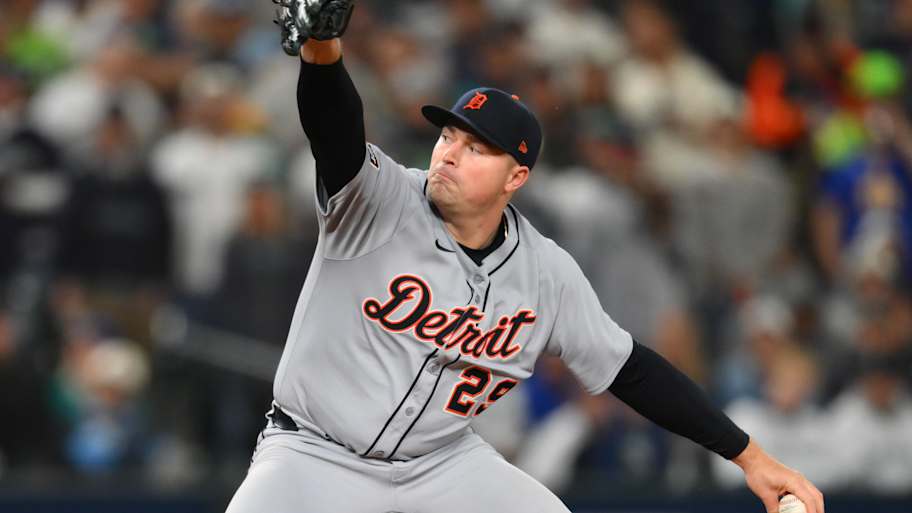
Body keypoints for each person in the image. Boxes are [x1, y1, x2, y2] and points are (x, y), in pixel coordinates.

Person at [226, 3, 825, 512]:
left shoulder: (544, 272)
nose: (450, 154)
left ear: (517, 176)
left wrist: (749, 456)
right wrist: (323, 50)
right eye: (448, 136)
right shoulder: (380, 199)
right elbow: (335, 132)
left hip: (441, 467)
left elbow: (631, 370)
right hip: (313, 453)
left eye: (476, 146)